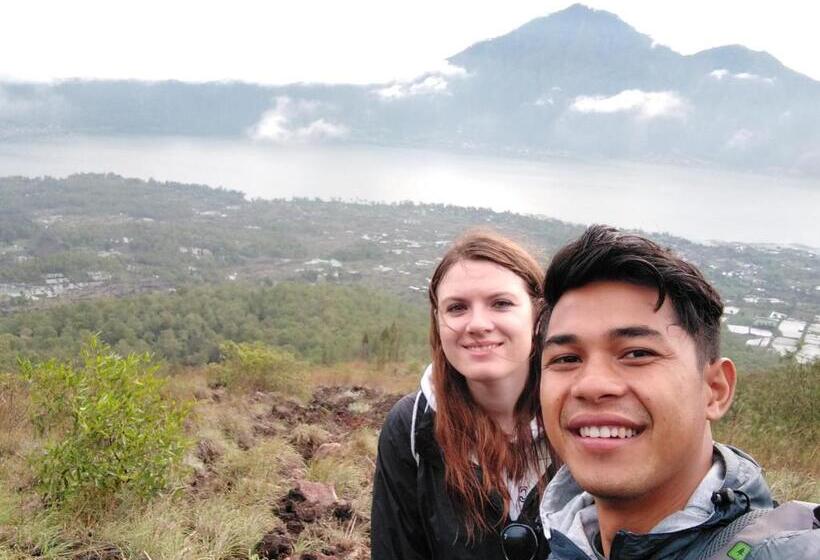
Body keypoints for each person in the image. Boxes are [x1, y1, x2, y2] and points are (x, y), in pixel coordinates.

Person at [535, 225, 819, 559]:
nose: (591, 385)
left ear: (715, 389)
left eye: (637, 353)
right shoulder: (554, 542)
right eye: (567, 359)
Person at [371, 230, 553, 559]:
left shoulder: (581, 417)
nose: (478, 324)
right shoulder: (412, 428)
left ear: (538, 315)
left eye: (501, 304)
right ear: (438, 322)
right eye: (457, 308)